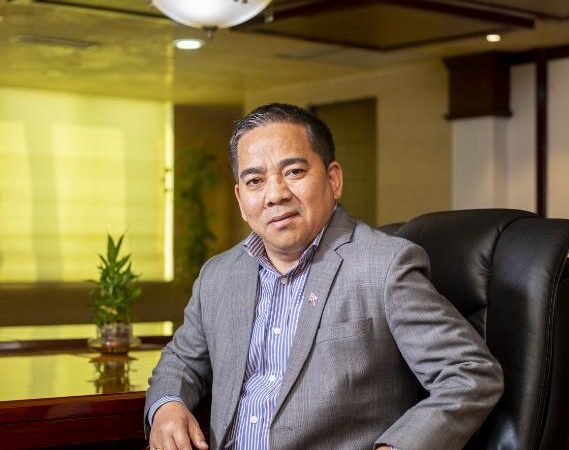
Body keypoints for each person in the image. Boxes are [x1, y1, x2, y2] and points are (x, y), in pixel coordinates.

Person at [145, 103, 504, 450]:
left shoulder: (384, 266)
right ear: (241, 199)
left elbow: (469, 374)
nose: (275, 194)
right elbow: (180, 359)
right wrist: (167, 407)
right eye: (255, 180)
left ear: (333, 179)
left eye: (294, 172)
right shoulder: (219, 275)